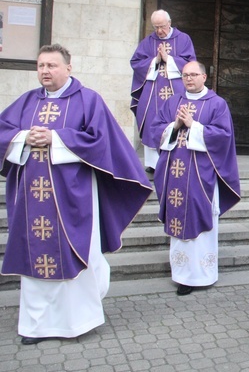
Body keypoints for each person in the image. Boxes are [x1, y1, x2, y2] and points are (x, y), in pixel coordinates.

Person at [0, 44, 152, 345]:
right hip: (32, 199)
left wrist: (56, 137)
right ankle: (36, 326)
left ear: (68, 68)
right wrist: (23, 137)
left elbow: (102, 142)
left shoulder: (88, 100)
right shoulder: (27, 101)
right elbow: (3, 130)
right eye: (41, 65)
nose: (45, 71)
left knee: (77, 253)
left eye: (52, 65)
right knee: (35, 259)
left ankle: (78, 321)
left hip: (74, 197)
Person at [149, 61, 241, 296]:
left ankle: (202, 274)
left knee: (200, 224)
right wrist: (175, 125)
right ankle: (181, 275)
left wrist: (194, 126)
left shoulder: (217, 104)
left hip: (202, 177)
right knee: (178, 221)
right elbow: (155, 130)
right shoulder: (173, 102)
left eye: (193, 75)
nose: (188, 79)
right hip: (175, 175)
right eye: (185, 75)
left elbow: (223, 137)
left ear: (204, 76)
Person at [130, 9, 196, 173]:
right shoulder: (148, 41)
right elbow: (136, 62)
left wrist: (170, 60)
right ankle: (153, 163)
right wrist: (156, 60)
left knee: (177, 119)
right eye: (156, 27)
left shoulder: (183, 39)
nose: (159, 31)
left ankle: (175, 160)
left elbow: (191, 62)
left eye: (162, 26)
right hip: (152, 92)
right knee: (151, 121)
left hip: (177, 91)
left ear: (170, 23)